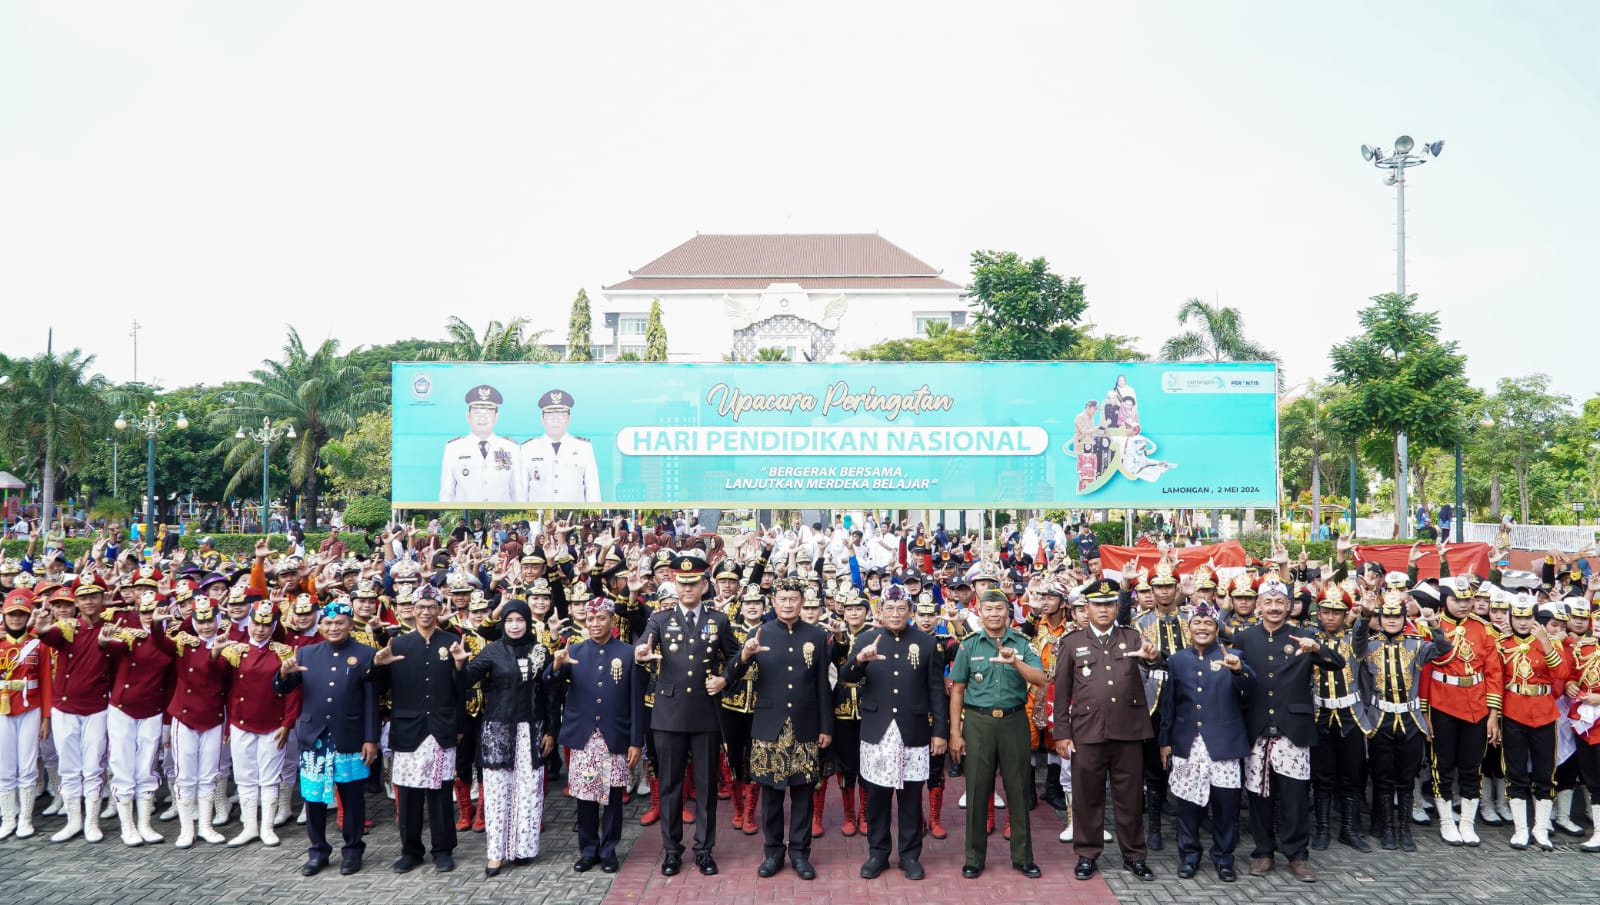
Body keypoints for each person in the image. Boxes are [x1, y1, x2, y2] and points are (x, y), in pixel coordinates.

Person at [635, 552, 741, 877]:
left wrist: (725, 678)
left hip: (706, 715)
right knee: (670, 786)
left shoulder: (718, 620)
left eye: (693, 583)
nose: (687, 589)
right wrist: (641, 654)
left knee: (707, 786)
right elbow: (643, 647)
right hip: (669, 714)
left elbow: (737, 656)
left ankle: (704, 850)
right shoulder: (660, 619)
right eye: (681, 583)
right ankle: (671, 850)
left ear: (704, 584)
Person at [1230, 578, 1343, 882]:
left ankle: (1297, 855)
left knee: (1294, 797)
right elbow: (1236, 684)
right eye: (1268, 601)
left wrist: (1317, 648)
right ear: (1258, 605)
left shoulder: (1304, 635)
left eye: (1281, 602)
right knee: (1259, 796)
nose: (1275, 607)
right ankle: (1263, 852)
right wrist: (1238, 673)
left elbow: (1338, 663)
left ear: (1290, 605)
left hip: (1293, 727)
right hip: (1257, 728)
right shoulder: (1244, 638)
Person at [724, 576, 833, 880]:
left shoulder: (817, 635)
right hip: (768, 726)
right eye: (782, 599)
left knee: (802, 793)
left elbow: (823, 685)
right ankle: (773, 852)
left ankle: (800, 853)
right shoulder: (760, 633)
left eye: (793, 599)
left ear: (803, 603)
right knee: (771, 795)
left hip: (805, 725)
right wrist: (745, 654)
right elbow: (731, 674)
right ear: (773, 602)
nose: (787, 604)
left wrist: (826, 726)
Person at [1053, 578, 1158, 882]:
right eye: (1097, 604)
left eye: (1109, 604)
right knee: (1088, 797)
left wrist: (1153, 659)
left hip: (1129, 729)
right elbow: (1062, 691)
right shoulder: (1072, 642)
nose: (1103, 610)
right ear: (1086, 607)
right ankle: (1087, 855)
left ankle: (1135, 856)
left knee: (1130, 799)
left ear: (1116, 607)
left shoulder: (1132, 636)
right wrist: (1062, 732)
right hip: (1088, 731)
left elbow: (1155, 665)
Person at [841, 584, 948, 881]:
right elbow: (846, 678)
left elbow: (936, 690)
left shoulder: (926, 643)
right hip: (877, 730)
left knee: (911, 797)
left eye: (902, 608)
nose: (896, 613)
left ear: (911, 612)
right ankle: (878, 853)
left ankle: (910, 855)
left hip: (913, 730)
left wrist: (940, 731)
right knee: (876, 796)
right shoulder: (865, 639)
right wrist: (860, 659)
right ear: (880, 612)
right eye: (890, 608)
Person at [274, 599, 379, 876]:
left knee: (353, 797)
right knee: (314, 799)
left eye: (339, 623)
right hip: (315, 737)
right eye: (328, 623)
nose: (333, 628)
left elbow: (371, 700)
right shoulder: (306, 654)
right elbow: (286, 688)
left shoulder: (366, 654)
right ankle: (318, 851)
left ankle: (353, 850)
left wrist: (371, 738)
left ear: (350, 625)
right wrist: (283, 674)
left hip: (350, 737)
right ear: (320, 625)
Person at [950, 588, 1049, 880]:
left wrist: (1015, 661)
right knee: (978, 791)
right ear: (979, 612)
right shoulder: (969, 645)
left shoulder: (1022, 643)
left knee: (1018, 790)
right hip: (978, 724)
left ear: (1009, 612)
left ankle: (1023, 857)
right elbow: (957, 690)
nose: (994, 614)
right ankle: (974, 858)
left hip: (1014, 721)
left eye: (999, 609)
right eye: (988, 609)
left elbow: (1041, 679)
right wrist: (955, 732)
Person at [369, 586, 468, 873]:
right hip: (408, 728)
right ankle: (411, 850)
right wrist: (377, 665)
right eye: (421, 606)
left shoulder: (452, 641)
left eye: (431, 606)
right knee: (409, 796)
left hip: (440, 728)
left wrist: (461, 666)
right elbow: (377, 686)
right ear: (412, 609)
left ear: (440, 610)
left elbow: (461, 689)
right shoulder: (397, 644)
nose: (426, 612)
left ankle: (443, 849)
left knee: (440, 793)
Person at [457, 598, 555, 876]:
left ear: (527, 622)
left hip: (531, 728)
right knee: (498, 791)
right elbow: (466, 682)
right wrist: (460, 665)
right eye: (509, 620)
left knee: (528, 790)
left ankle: (523, 849)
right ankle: (495, 854)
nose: (514, 625)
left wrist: (550, 730)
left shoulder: (540, 651)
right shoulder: (492, 651)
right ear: (502, 623)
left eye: (520, 620)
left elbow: (550, 693)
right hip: (498, 729)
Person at [548, 596, 645, 874]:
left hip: (615, 737)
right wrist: (556, 665)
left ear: (612, 621)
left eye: (601, 618)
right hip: (584, 737)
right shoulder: (574, 650)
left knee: (613, 797)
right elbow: (550, 686)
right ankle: (588, 851)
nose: (595, 623)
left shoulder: (628, 652)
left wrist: (636, 741)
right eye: (590, 619)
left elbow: (636, 701)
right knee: (585, 797)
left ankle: (609, 850)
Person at [1159, 603, 1253, 882]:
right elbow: (1169, 706)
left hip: (1223, 744)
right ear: (1189, 629)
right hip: (1187, 743)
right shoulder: (1177, 660)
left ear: (1216, 629)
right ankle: (1189, 856)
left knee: (1226, 807)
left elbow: (1250, 690)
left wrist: (1238, 671)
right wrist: (1165, 742)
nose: (1202, 628)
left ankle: (1224, 858)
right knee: (1187, 805)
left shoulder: (1233, 655)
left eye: (1208, 623)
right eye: (1196, 624)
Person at [1352, 588, 1450, 852]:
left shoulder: (1416, 644)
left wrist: (1433, 622)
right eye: (1386, 616)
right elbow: (1356, 644)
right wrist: (1365, 615)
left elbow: (1444, 649)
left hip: (1410, 718)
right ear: (1380, 619)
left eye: (1396, 616)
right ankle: (1386, 829)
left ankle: (1404, 829)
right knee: (1383, 776)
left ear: (1404, 617)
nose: (1392, 621)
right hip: (1380, 718)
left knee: (1407, 778)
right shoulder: (1370, 645)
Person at [1423, 574, 1503, 847]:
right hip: (1443, 702)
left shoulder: (1484, 628)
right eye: (1457, 599)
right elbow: (1424, 672)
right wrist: (1425, 712)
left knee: (1472, 766)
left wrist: (1493, 714)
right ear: (1445, 599)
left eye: (1467, 599)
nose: (1464, 604)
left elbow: (1493, 673)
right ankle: (1446, 821)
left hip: (1476, 705)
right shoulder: (1431, 626)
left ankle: (1467, 822)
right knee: (1442, 765)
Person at [35, 582, 117, 843]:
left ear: (102, 599)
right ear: (77, 604)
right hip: (65, 707)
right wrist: (43, 627)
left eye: (94, 597)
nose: (89, 602)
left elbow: (121, 652)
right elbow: (49, 636)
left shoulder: (111, 627)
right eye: (84, 598)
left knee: (93, 766)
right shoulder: (68, 628)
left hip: (97, 707)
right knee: (69, 767)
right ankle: (73, 821)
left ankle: (92, 822)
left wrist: (107, 644)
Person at [217, 600, 300, 848]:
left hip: (273, 723)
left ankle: (267, 827)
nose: (260, 629)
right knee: (245, 777)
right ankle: (249, 827)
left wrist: (287, 723)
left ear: (274, 626)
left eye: (266, 625)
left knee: (270, 777)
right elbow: (225, 688)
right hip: (241, 721)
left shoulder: (283, 652)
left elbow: (293, 692)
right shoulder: (234, 651)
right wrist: (228, 722)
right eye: (256, 623)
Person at [148, 593, 229, 847]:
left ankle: (205, 825)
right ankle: (186, 828)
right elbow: (161, 644)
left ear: (218, 619)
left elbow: (225, 675)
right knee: (185, 774)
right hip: (185, 715)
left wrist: (216, 654)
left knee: (208, 774)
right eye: (200, 621)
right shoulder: (185, 643)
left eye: (210, 620)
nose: (206, 626)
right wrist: (155, 625)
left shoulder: (228, 643)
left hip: (213, 716)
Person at [99, 590, 174, 846]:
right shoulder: (126, 635)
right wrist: (104, 643)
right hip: (123, 706)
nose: (147, 617)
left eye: (153, 612)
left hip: (152, 708)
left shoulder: (170, 640)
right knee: (121, 764)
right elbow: (110, 652)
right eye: (143, 611)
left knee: (146, 766)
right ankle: (127, 825)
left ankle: (144, 823)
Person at [1495, 595, 1569, 850]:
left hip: (1544, 713)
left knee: (1544, 772)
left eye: (1528, 617)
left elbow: (1561, 673)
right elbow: (1495, 680)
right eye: (1518, 617)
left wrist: (1545, 643)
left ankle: (1540, 828)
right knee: (1515, 772)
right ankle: (1521, 829)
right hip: (1513, 712)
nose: (1523, 622)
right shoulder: (1502, 644)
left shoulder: (1550, 642)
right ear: (1511, 618)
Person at [1308, 583, 1374, 852]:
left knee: (1351, 777)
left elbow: (1360, 633)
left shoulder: (1354, 642)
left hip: (1351, 717)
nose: (1331, 617)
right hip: (1320, 715)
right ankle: (1323, 829)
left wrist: (1367, 615)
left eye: (1337, 612)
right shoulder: (1310, 640)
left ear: (1347, 614)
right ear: (1318, 613)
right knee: (1322, 777)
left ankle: (1349, 829)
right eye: (1326, 611)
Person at [0, 588, 49, 840]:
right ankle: (8, 818)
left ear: (28, 615)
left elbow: (46, 683)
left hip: (30, 708)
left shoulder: (37, 645)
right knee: (5, 768)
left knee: (28, 765)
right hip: (2, 710)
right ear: (4, 615)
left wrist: (46, 718)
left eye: (21, 614)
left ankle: (26, 820)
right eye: (12, 615)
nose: (16, 619)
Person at [439, 384, 520, 503]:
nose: (482, 418)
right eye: (477, 412)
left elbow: (518, 493)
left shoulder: (512, 448)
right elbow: (447, 493)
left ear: (496, 416)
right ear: (468, 416)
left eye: (488, 413)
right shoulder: (453, 448)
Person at [520, 388, 601, 503]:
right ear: (542, 419)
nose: (555, 421)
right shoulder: (528, 449)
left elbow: (593, 491)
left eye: (561, 416)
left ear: (569, 419)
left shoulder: (584, 448)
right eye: (550, 416)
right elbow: (521, 492)